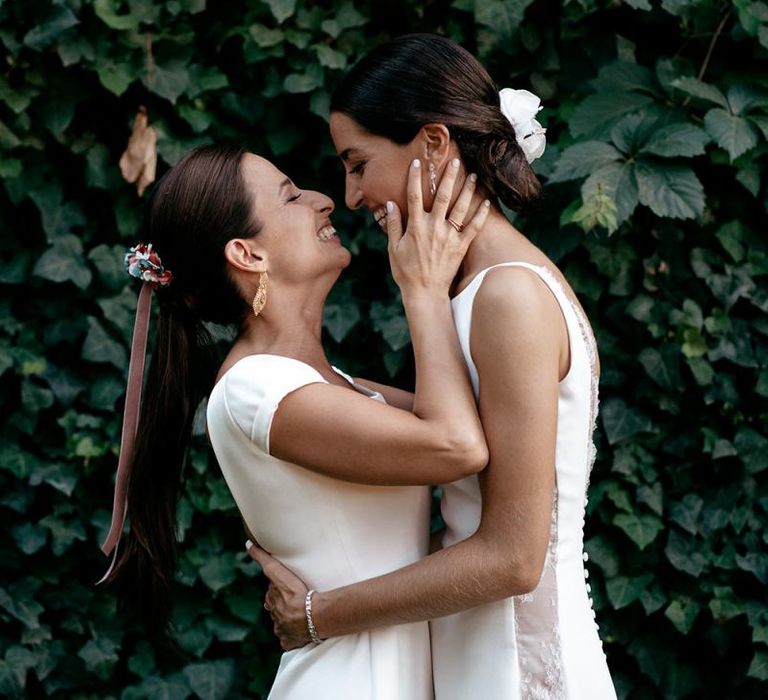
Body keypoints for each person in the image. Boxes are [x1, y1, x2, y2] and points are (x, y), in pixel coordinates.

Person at [248, 34, 617, 699]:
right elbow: (430, 431)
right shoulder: (469, 288)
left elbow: (512, 558)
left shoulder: (508, 296)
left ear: (434, 144)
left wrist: (319, 614)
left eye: (358, 164)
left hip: (522, 668)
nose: (351, 196)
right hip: (468, 657)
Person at [99, 142, 492, 699]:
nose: (325, 200)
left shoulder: (331, 384)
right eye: (290, 195)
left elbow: (482, 433)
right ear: (248, 254)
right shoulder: (255, 390)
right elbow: (457, 446)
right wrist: (423, 290)